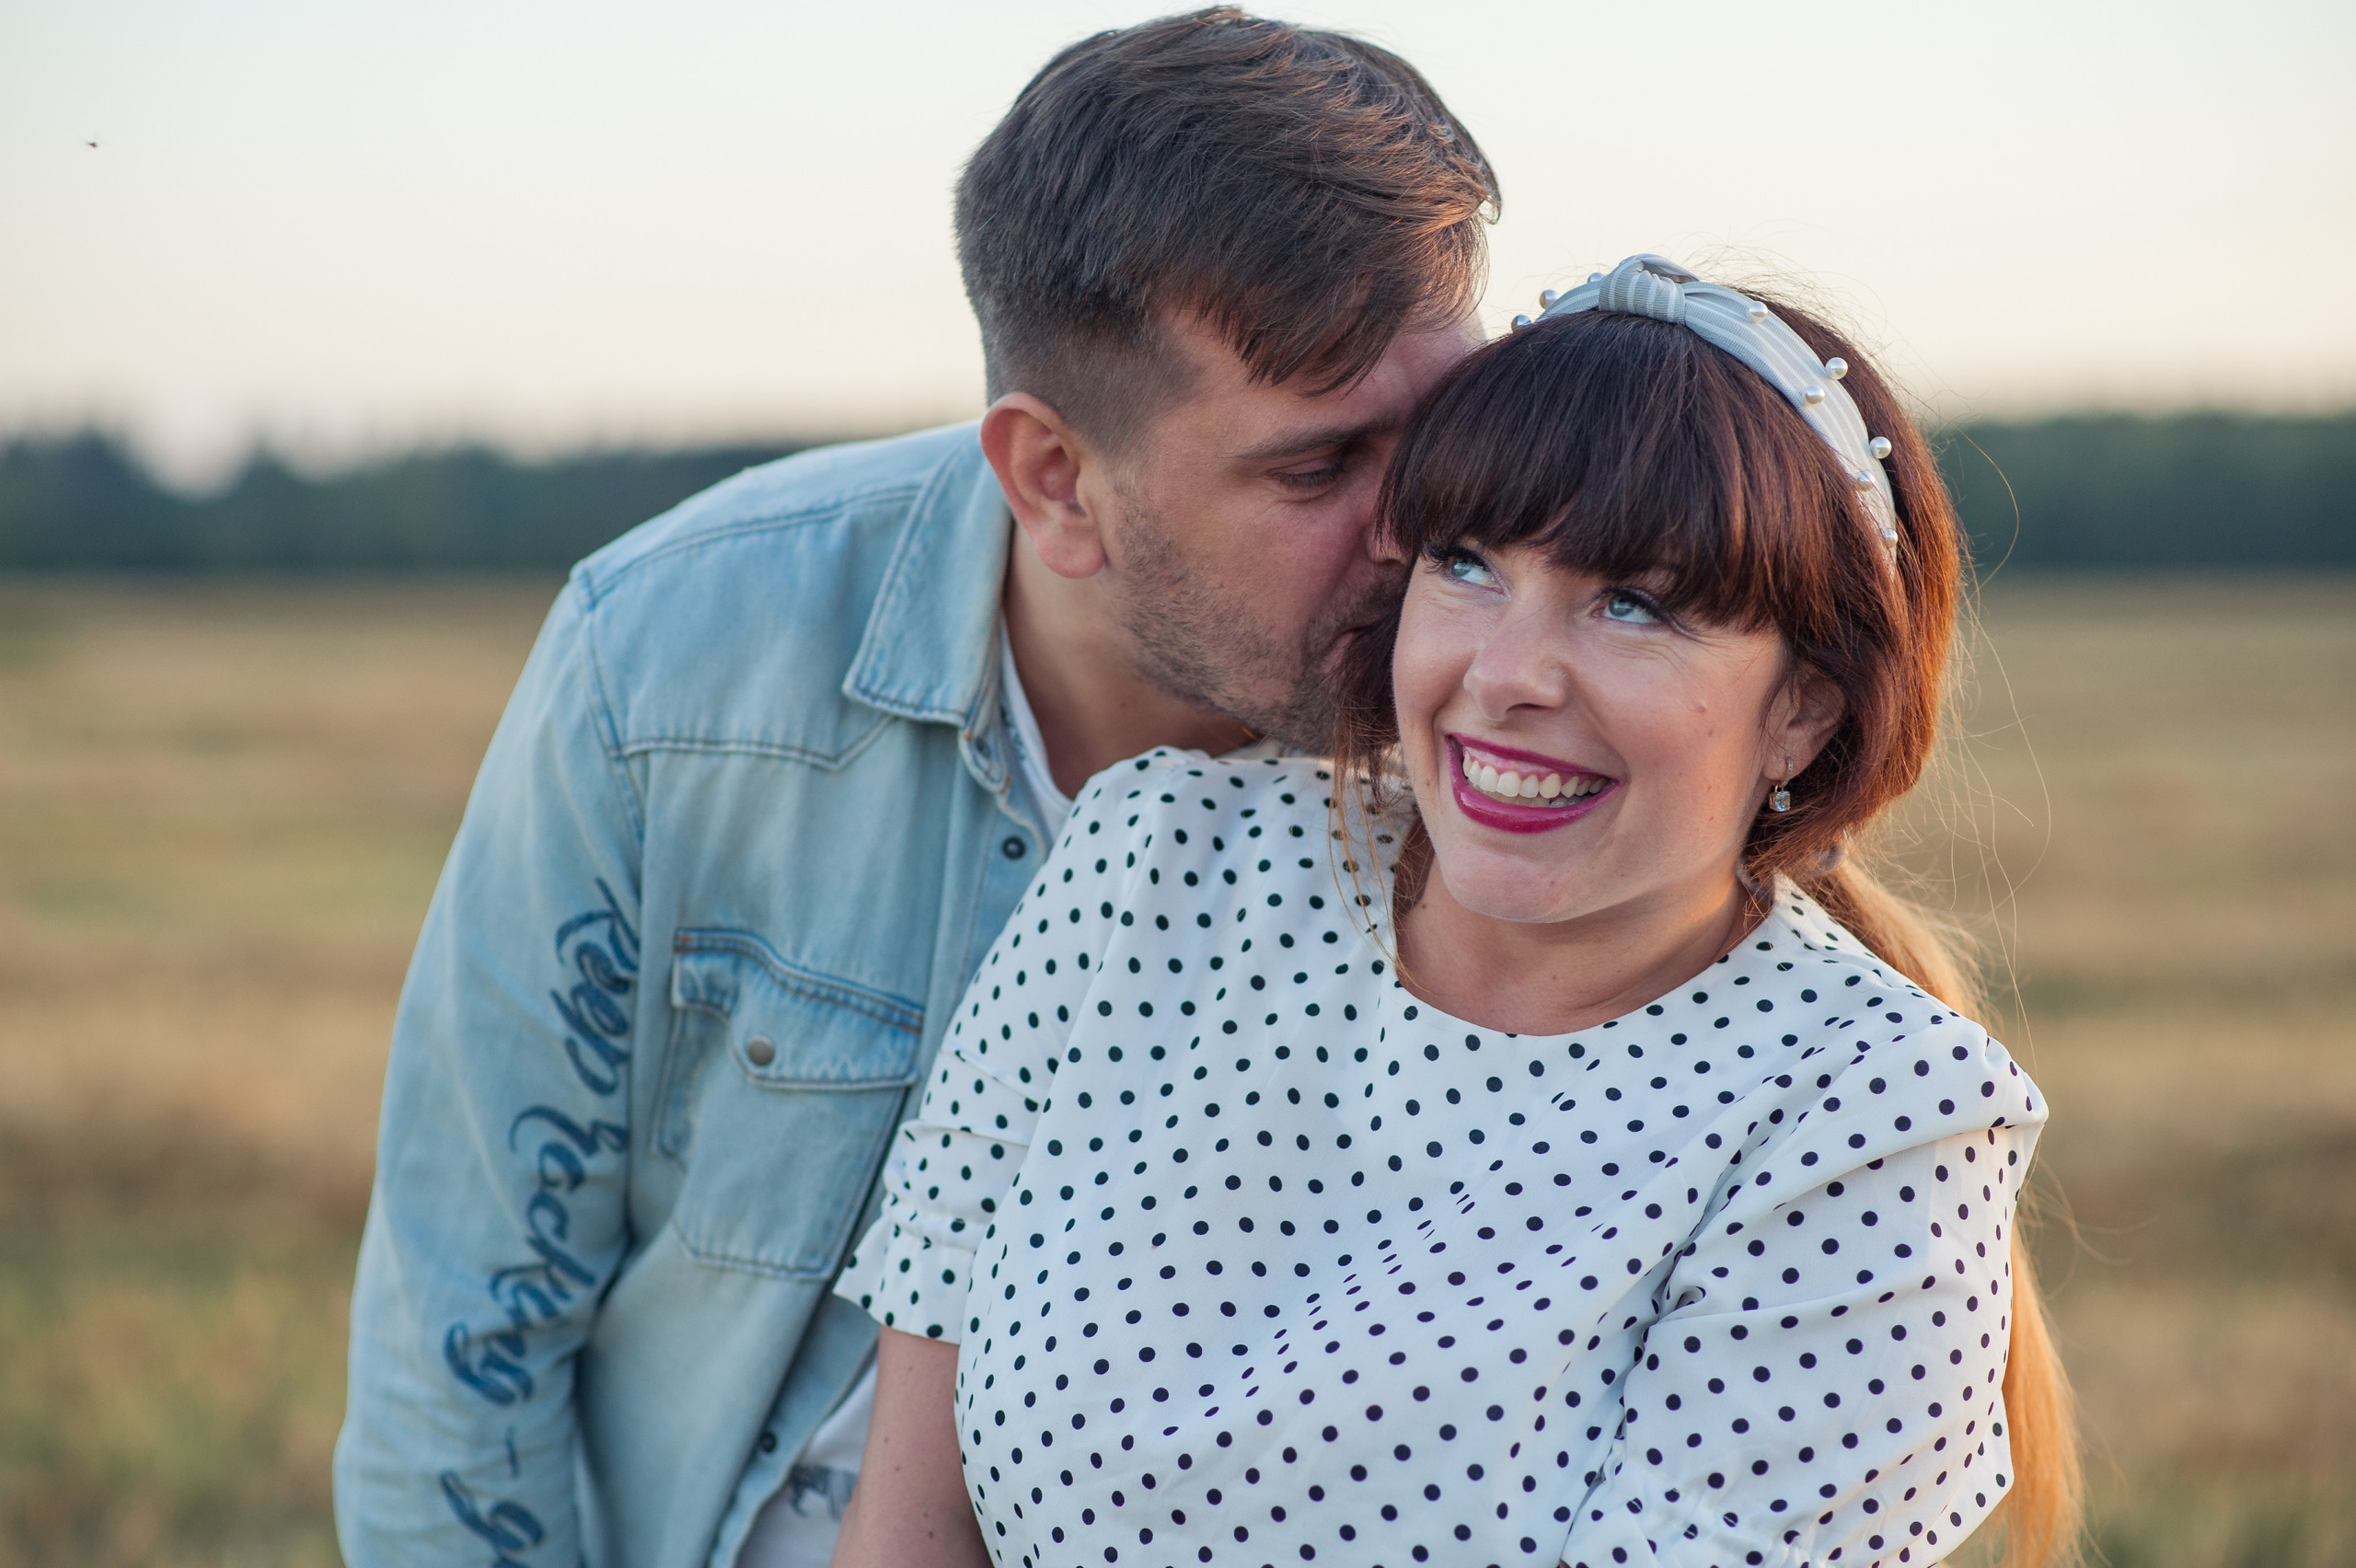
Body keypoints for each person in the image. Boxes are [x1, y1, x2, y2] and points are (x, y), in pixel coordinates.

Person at [330, 12, 1495, 1567]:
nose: (1425, 531)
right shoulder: (669, 656)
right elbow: (467, 1333)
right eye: (1318, 467)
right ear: (1056, 480)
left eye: (1451, 429)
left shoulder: (1523, 732)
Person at [831, 257, 2082, 1568]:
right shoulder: (1153, 860)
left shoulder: (1877, 1119)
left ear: (1804, 712)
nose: (1506, 674)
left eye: (1633, 603)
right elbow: (911, 1519)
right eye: (1469, 564)